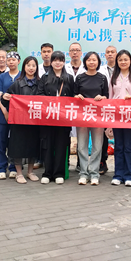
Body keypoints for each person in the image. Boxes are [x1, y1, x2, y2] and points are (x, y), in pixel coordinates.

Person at [38, 51, 75, 184]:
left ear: (64, 62)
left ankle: (59, 173)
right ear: (51, 62)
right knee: (48, 145)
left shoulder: (69, 78)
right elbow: (39, 94)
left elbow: (74, 96)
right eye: (55, 60)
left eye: (60, 60)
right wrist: (50, 101)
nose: (57, 63)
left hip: (63, 118)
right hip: (48, 116)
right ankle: (47, 173)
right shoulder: (44, 77)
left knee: (61, 145)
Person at [2, 56, 41, 184]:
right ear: (24, 67)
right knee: (18, 147)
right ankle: (19, 173)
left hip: (34, 121)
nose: (31, 68)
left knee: (33, 146)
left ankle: (30, 172)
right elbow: (6, 100)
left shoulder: (40, 84)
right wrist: (5, 97)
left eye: (33, 65)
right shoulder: (17, 83)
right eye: (28, 65)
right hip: (19, 122)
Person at [109, 50, 131, 187]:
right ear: (117, 62)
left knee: (129, 146)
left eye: (125, 59)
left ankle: (129, 175)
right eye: (120, 60)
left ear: (130, 61)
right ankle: (118, 175)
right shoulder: (113, 77)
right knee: (118, 146)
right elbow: (110, 97)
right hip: (117, 115)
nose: (123, 62)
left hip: (130, 115)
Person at [74, 52, 109, 185]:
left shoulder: (102, 78)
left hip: (97, 116)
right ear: (85, 62)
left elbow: (107, 96)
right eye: (89, 60)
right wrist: (77, 96)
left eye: (94, 60)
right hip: (82, 116)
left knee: (97, 146)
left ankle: (94, 173)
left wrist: (102, 97)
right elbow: (73, 95)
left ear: (98, 62)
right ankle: (83, 173)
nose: (91, 62)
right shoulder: (79, 78)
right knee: (81, 146)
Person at [0, 52, 20, 180]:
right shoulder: (2, 77)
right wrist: (5, 111)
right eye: (9, 60)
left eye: (13, 60)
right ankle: (1, 168)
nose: (11, 62)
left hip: (19, 115)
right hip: (2, 114)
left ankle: (14, 167)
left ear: (18, 62)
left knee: (15, 142)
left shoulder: (22, 76)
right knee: (1, 141)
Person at [35, 42, 54, 170]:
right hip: (40, 106)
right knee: (40, 134)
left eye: (49, 51)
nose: (46, 54)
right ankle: (39, 159)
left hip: (55, 108)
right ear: (41, 53)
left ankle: (50, 160)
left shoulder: (58, 68)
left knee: (52, 135)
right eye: (44, 52)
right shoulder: (36, 68)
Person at [99, 45, 117, 175]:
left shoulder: (123, 69)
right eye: (108, 52)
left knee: (120, 134)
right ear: (105, 55)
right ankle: (103, 162)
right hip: (104, 106)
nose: (110, 54)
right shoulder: (100, 70)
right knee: (103, 135)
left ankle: (121, 165)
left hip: (119, 106)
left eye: (112, 52)